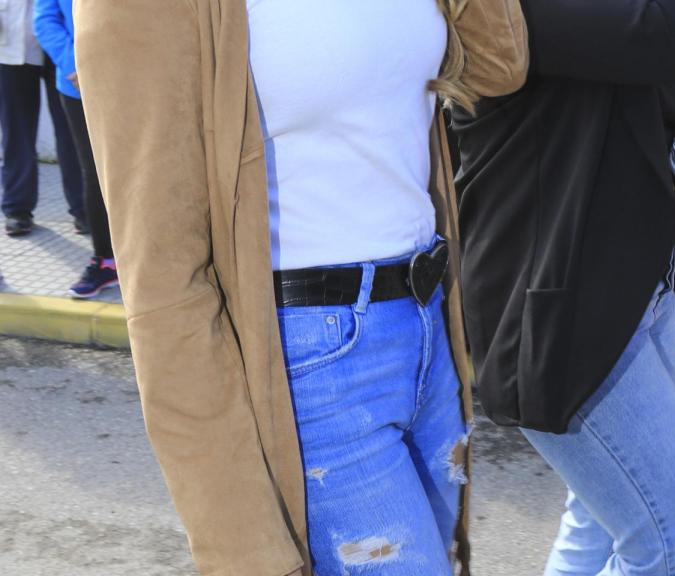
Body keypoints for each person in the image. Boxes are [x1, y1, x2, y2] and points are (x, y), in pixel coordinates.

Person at [74, 1, 527, 575]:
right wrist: (244, 547)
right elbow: (165, 284)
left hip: (428, 329)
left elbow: (497, 65)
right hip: (308, 366)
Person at [452, 1, 675, 573]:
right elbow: (658, 38)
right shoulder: (501, 8)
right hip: (559, 314)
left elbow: (643, 75)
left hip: (635, 293)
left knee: (595, 527)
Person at [33, 0, 117, 299]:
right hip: (76, 83)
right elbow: (45, 19)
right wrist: (77, 63)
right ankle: (107, 261)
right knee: (95, 173)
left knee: (142, 169)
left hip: (132, 80)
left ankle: (152, 258)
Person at [0, 0, 83, 237]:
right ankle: (17, 208)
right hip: (12, 40)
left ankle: (83, 208)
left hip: (61, 39)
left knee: (72, 132)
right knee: (16, 131)